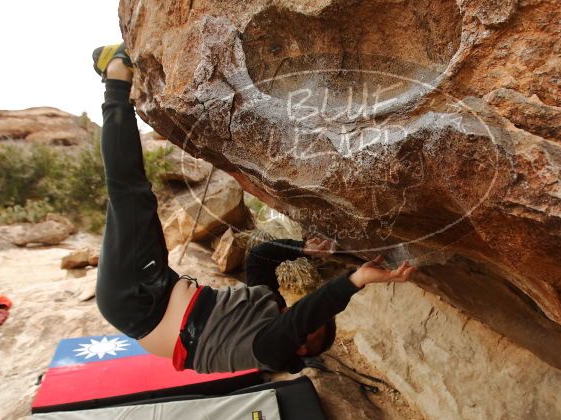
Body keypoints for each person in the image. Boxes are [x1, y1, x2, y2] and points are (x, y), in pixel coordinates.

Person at [92, 43, 415, 374]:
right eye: (312, 322)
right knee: (136, 198)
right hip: (157, 285)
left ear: (301, 347)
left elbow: (303, 319)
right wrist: (302, 248)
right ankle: (116, 86)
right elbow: (259, 257)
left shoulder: (268, 350)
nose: (303, 320)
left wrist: (357, 279)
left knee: (130, 194)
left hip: (137, 301)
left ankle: (115, 82)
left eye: (309, 331)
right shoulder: (267, 307)